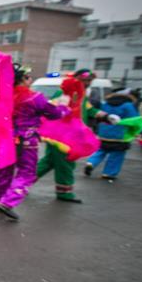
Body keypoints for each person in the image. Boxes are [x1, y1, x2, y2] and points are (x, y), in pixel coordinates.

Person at [0, 64, 69, 221]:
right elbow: (54, 114)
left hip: (6, 138)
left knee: (5, 171)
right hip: (26, 139)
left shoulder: (3, 97)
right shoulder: (34, 97)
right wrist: (64, 108)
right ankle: (7, 202)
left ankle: (0, 200)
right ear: (23, 79)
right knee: (27, 172)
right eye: (28, 77)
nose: (30, 80)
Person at [36, 68, 112, 203]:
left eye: (89, 81)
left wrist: (106, 116)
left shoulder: (81, 94)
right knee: (66, 162)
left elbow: (90, 109)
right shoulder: (65, 92)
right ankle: (64, 193)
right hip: (62, 135)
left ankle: (21, 183)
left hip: (69, 134)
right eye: (85, 80)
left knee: (50, 161)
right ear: (76, 78)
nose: (87, 83)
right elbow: (52, 110)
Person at [84, 88, 142, 182]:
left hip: (104, 133)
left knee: (101, 150)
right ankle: (108, 173)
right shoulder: (128, 105)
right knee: (116, 154)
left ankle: (91, 163)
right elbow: (136, 120)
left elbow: (100, 116)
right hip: (120, 135)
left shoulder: (106, 103)